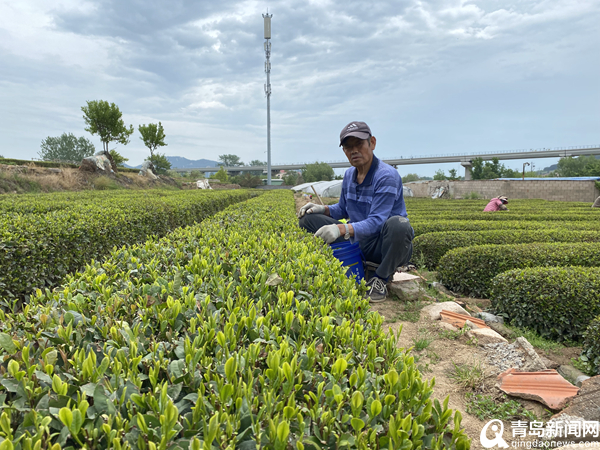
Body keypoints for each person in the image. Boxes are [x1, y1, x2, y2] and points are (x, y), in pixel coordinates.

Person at [298, 121, 414, 302]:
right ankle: (359, 261)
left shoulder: (386, 176)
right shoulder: (349, 175)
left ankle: (381, 277)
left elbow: (377, 221)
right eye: (348, 147)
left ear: (372, 143)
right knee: (307, 219)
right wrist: (322, 209)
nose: (354, 150)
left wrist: (341, 229)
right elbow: (343, 209)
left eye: (359, 144)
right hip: (360, 241)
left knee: (399, 225)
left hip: (385, 244)